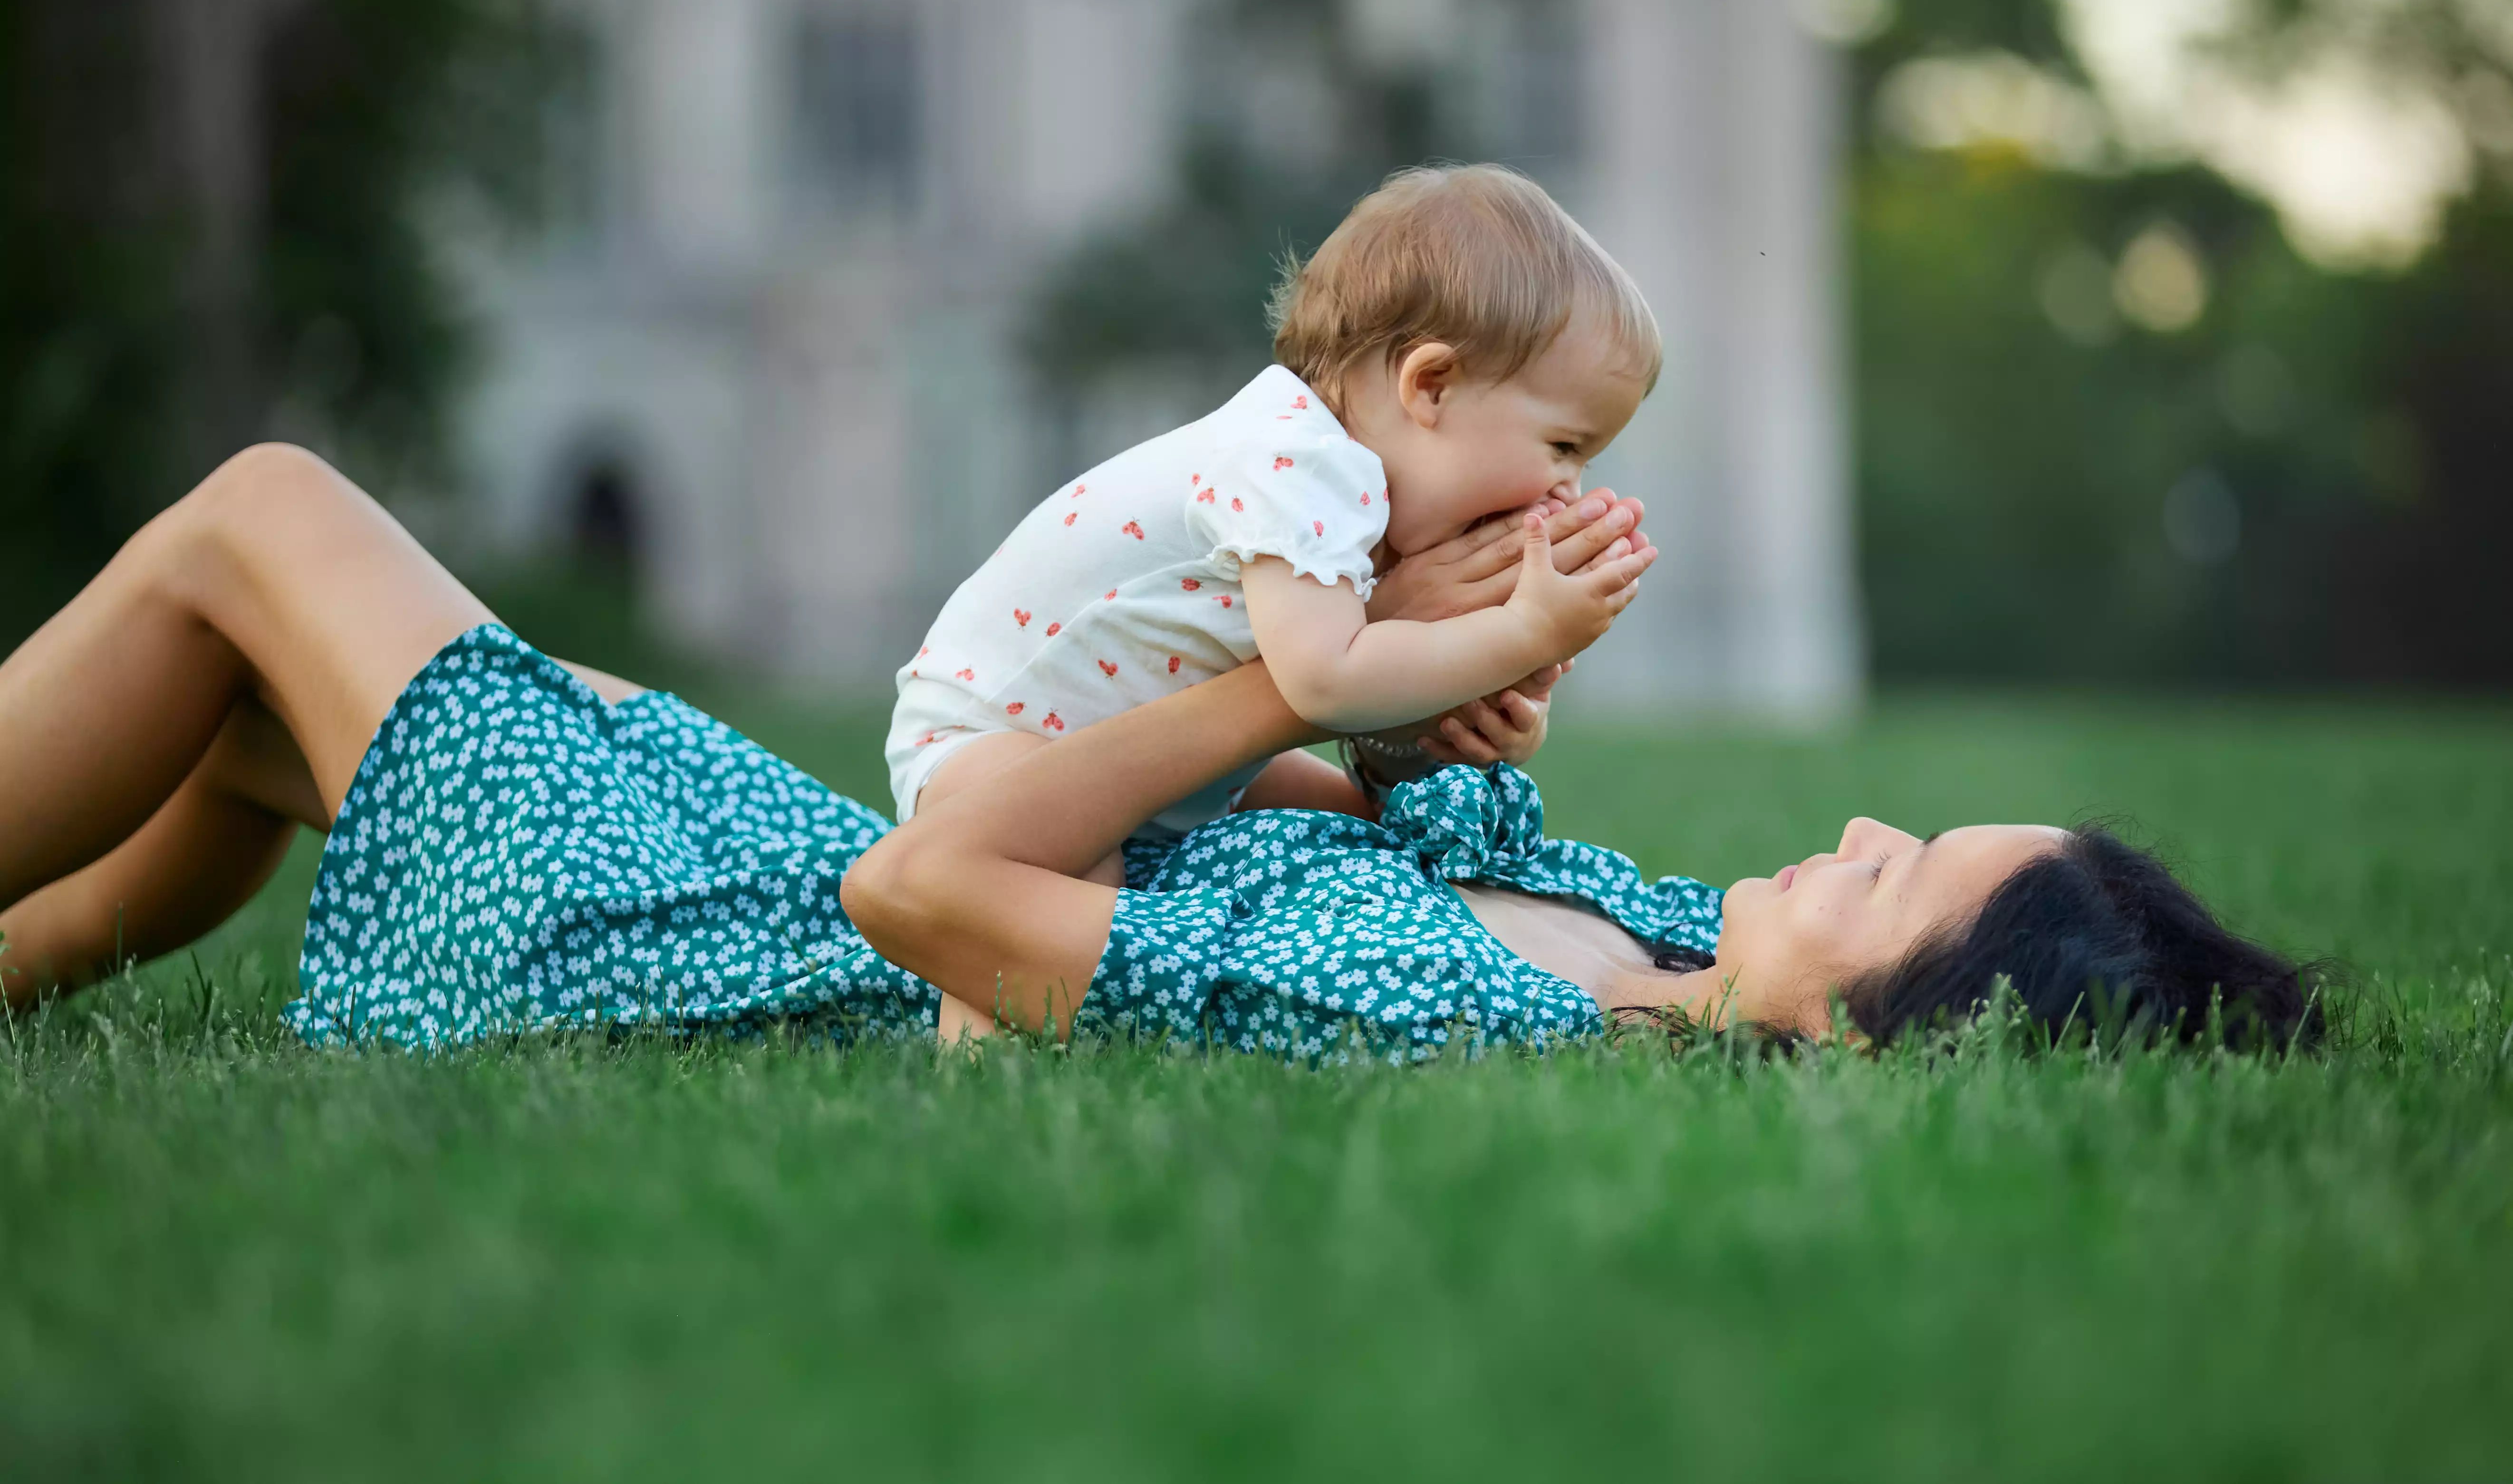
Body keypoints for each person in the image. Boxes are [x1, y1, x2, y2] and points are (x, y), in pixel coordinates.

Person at [0, 446, 2322, 1057]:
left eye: (1890, 880)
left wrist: (1282, 698)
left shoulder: (1473, 1018)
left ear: (1862, 1040)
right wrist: (1421, 694)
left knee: (263, 524)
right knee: (250, 718)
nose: (1851, 826)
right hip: (759, 848)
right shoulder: (1632, 936)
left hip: (709, 931)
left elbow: (926, 886)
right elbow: (1294, 813)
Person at [887, 164, 1662, 863]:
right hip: (992, 753)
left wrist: (1464, 724)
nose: (1567, 489)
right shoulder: (1297, 464)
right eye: (1563, 445)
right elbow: (1324, 687)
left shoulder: (1370, 501)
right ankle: (983, 1018)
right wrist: (1522, 632)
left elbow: (1358, 713)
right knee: (1070, 870)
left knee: (1370, 842)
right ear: (1429, 386)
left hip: (1169, 764)